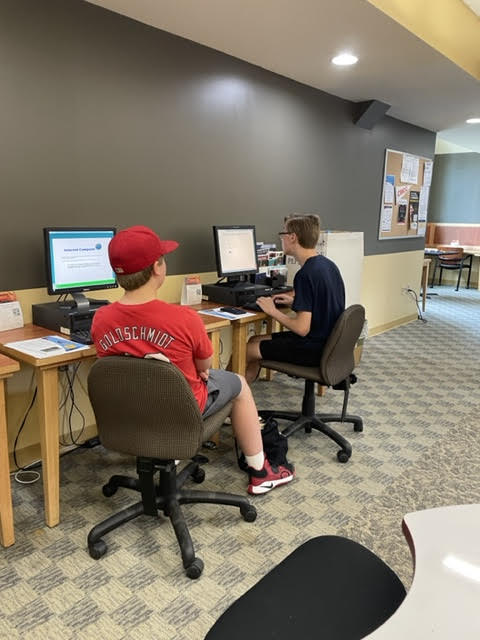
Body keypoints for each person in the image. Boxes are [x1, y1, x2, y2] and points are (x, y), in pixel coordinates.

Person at [91, 225, 294, 495]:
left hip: (130, 412)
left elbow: (117, 368)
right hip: (181, 411)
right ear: (157, 268)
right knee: (239, 385)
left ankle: (167, 452)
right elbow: (204, 366)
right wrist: (202, 371)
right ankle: (261, 472)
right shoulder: (184, 318)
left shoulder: (101, 319)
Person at [246, 214, 345, 383]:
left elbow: (301, 328)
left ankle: (231, 395)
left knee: (248, 350)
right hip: (330, 345)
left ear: (292, 237)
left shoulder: (305, 274)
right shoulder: (328, 265)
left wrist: (272, 311)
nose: (281, 238)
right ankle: (241, 393)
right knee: (254, 340)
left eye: (283, 233)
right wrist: (295, 302)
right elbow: (323, 304)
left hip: (314, 349)